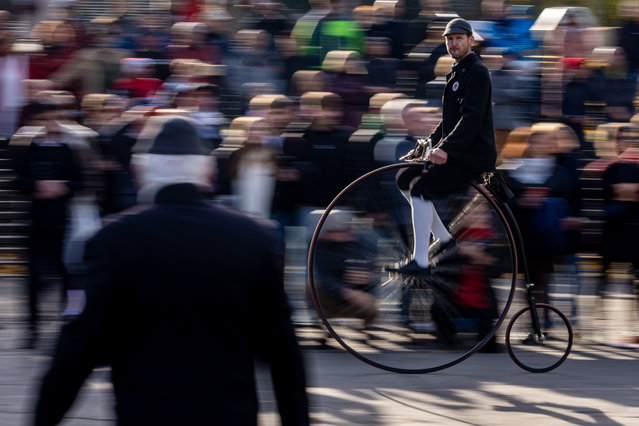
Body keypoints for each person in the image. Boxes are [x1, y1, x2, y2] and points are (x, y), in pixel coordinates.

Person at [33, 116, 309, 426]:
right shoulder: (255, 237)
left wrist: (45, 418)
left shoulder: (114, 238)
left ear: (138, 173)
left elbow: (78, 346)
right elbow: (282, 346)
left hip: (148, 411)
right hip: (229, 413)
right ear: (208, 172)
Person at [393, 18, 497, 276]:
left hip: (473, 155)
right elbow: (449, 121)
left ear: (471, 41)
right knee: (405, 177)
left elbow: (471, 119)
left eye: (458, 38)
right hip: (458, 151)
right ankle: (445, 239)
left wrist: (446, 149)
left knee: (420, 189)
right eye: (449, 39)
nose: (453, 43)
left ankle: (421, 261)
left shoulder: (477, 72)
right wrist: (426, 145)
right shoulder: (456, 71)